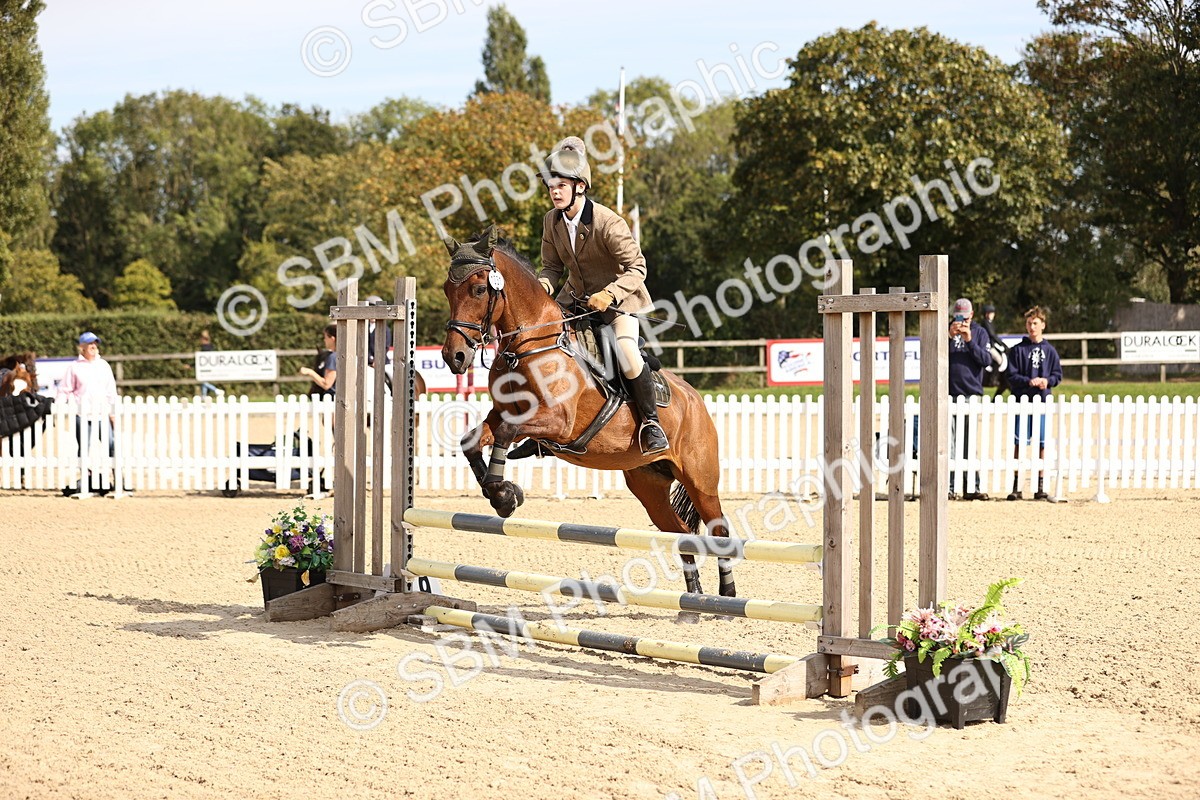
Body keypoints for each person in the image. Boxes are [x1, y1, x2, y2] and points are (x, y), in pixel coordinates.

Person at [536, 136, 668, 455]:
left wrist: (609, 293)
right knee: (542, 345)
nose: (554, 191)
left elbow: (637, 266)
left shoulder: (607, 221)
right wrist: (541, 287)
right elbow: (551, 267)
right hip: (576, 301)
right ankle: (544, 427)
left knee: (625, 352)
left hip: (621, 304)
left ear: (580, 186)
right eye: (550, 185)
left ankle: (652, 424)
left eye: (561, 185)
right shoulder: (551, 221)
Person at [1005, 306, 1062, 500]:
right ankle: (1017, 485)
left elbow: (1057, 374)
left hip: (1042, 402)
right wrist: (1027, 381)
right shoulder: (1017, 350)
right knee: (1019, 443)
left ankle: (1040, 485)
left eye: (1035, 323)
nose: (1032, 327)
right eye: (1029, 323)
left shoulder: (1050, 351)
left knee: (1042, 443)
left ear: (1043, 325)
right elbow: (1011, 375)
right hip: (1023, 402)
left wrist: (1047, 381)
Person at [59, 332, 119, 496]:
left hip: (102, 413)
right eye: (90, 344)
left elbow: (111, 391)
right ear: (82, 347)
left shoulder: (104, 365)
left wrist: (113, 413)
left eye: (95, 343)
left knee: (111, 445)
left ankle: (116, 478)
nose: (93, 346)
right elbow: (65, 389)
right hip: (82, 414)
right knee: (84, 448)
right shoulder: (74, 367)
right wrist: (64, 406)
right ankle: (87, 478)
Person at [947, 298, 992, 500]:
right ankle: (947, 486)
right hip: (947, 394)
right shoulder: (945, 330)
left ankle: (971, 486)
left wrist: (969, 340)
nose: (961, 321)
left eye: (964, 317)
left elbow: (986, 360)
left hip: (971, 394)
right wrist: (949, 336)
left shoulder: (980, 332)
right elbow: (932, 355)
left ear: (971, 315)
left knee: (968, 443)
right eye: (958, 316)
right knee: (948, 444)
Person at [299, 324, 337, 398]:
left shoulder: (332, 357)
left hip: (331, 399)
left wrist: (310, 372)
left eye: (326, 337)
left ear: (332, 339)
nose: (324, 340)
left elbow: (327, 384)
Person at [978, 303, 1009, 392]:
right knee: (999, 359)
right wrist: (1002, 344)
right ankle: (993, 380)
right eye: (991, 313)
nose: (993, 315)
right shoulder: (986, 323)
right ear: (987, 314)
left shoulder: (990, 323)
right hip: (987, 346)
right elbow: (992, 335)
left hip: (991, 345)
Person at [197, 330, 224, 398]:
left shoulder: (206, 348)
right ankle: (204, 395)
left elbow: (203, 358)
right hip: (206, 366)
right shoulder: (209, 346)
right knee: (204, 381)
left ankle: (216, 390)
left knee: (204, 381)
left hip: (206, 367)